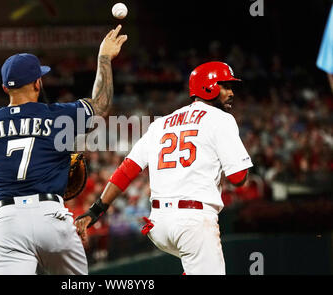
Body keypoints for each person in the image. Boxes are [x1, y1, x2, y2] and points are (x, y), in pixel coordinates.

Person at [0, 25, 127, 275]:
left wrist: (10, 184)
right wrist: (104, 58)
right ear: (37, 83)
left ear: (5, 88)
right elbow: (101, 105)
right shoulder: (57, 117)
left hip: (7, 222)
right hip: (50, 215)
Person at [76, 62, 253, 275]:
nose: (231, 92)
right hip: (193, 222)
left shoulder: (161, 123)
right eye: (226, 86)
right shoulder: (221, 119)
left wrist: (96, 210)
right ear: (210, 87)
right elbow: (238, 177)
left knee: (194, 261)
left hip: (158, 224)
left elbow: (127, 169)